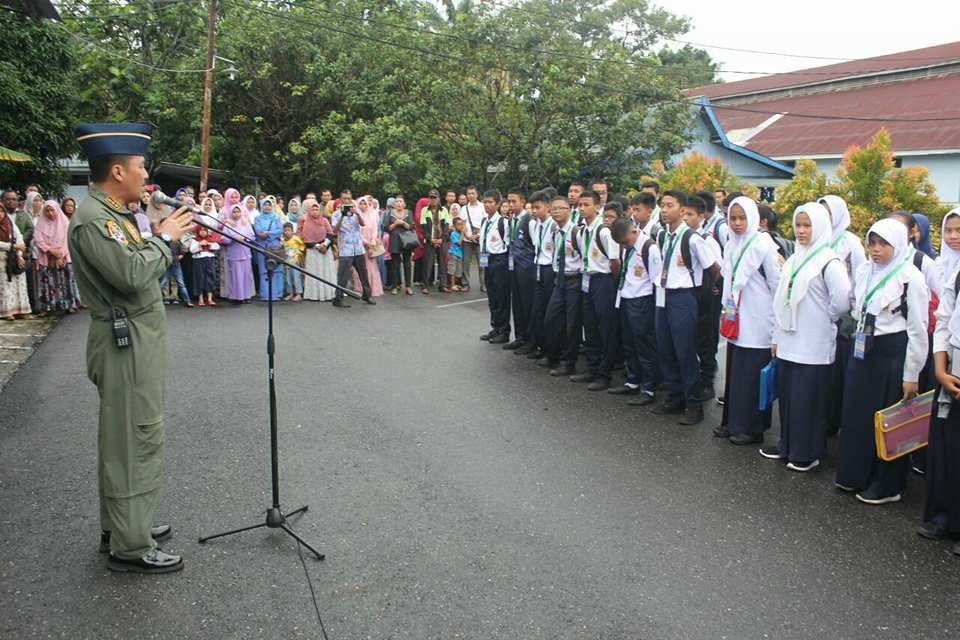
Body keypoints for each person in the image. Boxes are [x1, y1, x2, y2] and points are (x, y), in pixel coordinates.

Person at [68, 122, 194, 573]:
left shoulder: (115, 213)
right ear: (118, 171)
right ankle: (131, 546)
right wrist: (165, 237)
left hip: (136, 339)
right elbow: (133, 274)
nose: (147, 177)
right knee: (135, 438)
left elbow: (137, 263)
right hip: (125, 342)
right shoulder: (95, 220)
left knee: (131, 436)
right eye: (141, 168)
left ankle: (125, 525)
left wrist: (157, 234)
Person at [835, 219, 928, 505]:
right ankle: (854, 474)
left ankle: (885, 485)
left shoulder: (910, 278)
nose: (876, 250)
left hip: (891, 354)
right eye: (872, 243)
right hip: (864, 350)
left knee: (887, 420)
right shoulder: (865, 271)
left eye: (883, 244)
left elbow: (918, 329)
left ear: (898, 244)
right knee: (856, 415)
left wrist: (911, 374)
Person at [764, 202, 851, 471]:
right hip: (790, 339)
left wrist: (822, 317)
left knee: (808, 400)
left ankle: (807, 453)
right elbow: (781, 298)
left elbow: (842, 302)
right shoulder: (794, 258)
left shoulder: (829, 261)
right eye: (798, 225)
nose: (801, 231)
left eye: (807, 225)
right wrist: (776, 338)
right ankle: (787, 445)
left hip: (813, 342)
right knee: (790, 398)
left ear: (821, 226)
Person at [714, 196, 781, 444]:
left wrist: (778, 327)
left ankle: (752, 428)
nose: (737, 223)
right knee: (737, 374)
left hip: (760, 321)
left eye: (742, 218)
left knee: (753, 376)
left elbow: (777, 285)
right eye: (733, 218)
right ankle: (732, 422)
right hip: (738, 320)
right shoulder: (733, 243)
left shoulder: (764, 246)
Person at [652, 190, 720, 425]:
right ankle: (675, 397)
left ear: (682, 210)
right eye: (662, 205)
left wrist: (708, 290)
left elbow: (714, 267)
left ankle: (693, 405)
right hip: (663, 296)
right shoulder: (662, 236)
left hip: (683, 298)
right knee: (666, 349)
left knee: (685, 352)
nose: (663, 210)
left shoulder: (692, 238)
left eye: (669, 205)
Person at [919, 235, 960, 553]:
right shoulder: (957, 276)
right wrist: (941, 371)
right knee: (947, 448)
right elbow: (943, 322)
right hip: (951, 373)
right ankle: (943, 518)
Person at [609, 216, 661, 405]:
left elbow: (656, 281)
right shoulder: (628, 248)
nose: (623, 246)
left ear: (633, 232)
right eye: (620, 244)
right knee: (629, 344)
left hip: (642, 302)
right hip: (626, 299)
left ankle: (649, 388)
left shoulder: (649, 248)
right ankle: (633, 381)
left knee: (644, 346)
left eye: (625, 242)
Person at [570, 193, 621, 390]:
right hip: (587, 279)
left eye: (586, 205)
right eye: (580, 205)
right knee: (589, 325)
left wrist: (611, 282)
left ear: (597, 207)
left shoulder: (605, 231)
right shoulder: (582, 231)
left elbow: (615, 261)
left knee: (605, 327)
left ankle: (604, 374)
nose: (582, 208)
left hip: (603, 280)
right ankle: (592, 367)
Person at [540, 195, 584, 376]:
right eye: (554, 208)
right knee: (551, 319)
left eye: (561, 208)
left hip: (574, 280)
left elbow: (584, 257)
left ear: (569, 210)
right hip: (559, 280)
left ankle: (568, 362)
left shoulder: (576, 232)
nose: (557, 212)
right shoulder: (554, 232)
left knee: (571, 324)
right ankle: (553, 355)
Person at [515, 190, 555, 358]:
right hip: (537, 268)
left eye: (538, 207)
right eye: (532, 208)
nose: (534, 211)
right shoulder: (533, 224)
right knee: (536, 310)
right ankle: (538, 344)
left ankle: (550, 350)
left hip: (550, 271)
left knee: (549, 314)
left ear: (548, 206)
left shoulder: (553, 225)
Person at [33, 200, 80, 315]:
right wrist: (51, 250)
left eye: (52, 210)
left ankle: (68, 305)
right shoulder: (40, 224)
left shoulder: (65, 223)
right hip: (46, 257)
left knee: (65, 280)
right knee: (47, 282)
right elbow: (38, 240)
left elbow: (67, 240)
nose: (50, 213)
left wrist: (60, 255)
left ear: (57, 210)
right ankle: (47, 307)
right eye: (47, 211)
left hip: (63, 256)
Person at [331, 190, 375, 308]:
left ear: (351, 200)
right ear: (341, 200)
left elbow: (362, 224)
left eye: (348, 198)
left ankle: (367, 295)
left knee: (363, 273)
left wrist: (357, 213)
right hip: (346, 248)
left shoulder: (356, 211)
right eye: (344, 198)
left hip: (358, 247)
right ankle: (338, 298)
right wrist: (342, 216)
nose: (346, 200)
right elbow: (335, 230)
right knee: (343, 275)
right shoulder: (336, 214)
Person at [478, 189, 511, 344]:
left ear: (498, 204)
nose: (487, 205)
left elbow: (508, 244)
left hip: (500, 261)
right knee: (492, 298)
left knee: (501, 297)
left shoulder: (503, 222)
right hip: (487, 261)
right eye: (485, 202)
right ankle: (495, 327)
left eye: (490, 202)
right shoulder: (485, 221)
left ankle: (504, 331)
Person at [505, 187, 535, 350]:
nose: (510, 204)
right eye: (508, 201)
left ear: (523, 202)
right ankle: (520, 336)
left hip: (526, 268)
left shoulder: (529, 221)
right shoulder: (512, 220)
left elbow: (535, 246)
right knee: (516, 303)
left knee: (527, 303)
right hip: (514, 267)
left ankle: (530, 340)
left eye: (513, 201)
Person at [298, 198, 337, 302]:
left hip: (325, 251)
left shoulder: (324, 221)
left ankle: (329, 294)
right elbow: (306, 239)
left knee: (326, 271)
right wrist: (317, 246)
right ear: (309, 211)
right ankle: (314, 295)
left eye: (317, 210)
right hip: (313, 251)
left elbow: (330, 234)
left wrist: (324, 245)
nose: (315, 212)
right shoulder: (306, 223)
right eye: (313, 210)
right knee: (315, 272)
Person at [0, 200, 32, 320]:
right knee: (5, 286)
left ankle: (21, 310)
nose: (0, 214)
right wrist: (12, 247)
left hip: (14, 258)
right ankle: (7, 312)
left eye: (2, 211)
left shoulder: (10, 224)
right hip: (2, 259)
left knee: (19, 283)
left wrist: (18, 254)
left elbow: (19, 239)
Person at [219, 204, 254, 303]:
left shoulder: (245, 223)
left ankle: (247, 296)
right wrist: (232, 238)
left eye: (238, 211)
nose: (236, 214)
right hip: (234, 253)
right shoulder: (228, 224)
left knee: (246, 275)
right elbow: (223, 239)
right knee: (236, 276)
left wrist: (244, 238)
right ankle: (237, 296)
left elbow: (252, 236)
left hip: (245, 253)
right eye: (234, 212)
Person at [253, 197, 284, 301]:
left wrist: (268, 233)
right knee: (264, 269)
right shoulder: (258, 218)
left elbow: (280, 230)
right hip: (263, 246)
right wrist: (264, 234)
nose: (267, 207)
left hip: (275, 245)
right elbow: (258, 230)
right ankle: (266, 294)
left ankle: (277, 294)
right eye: (265, 205)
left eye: (269, 205)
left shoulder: (276, 217)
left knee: (276, 269)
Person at [420, 189, 450, 293]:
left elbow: (446, 226)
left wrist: (442, 239)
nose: (433, 200)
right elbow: (423, 227)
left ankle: (443, 285)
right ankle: (425, 285)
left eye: (435, 198)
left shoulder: (444, 210)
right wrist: (430, 239)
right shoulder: (425, 210)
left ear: (439, 199)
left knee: (442, 263)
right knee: (428, 263)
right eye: (431, 198)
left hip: (441, 239)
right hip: (430, 240)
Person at [356, 195, 384, 298]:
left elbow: (375, 230)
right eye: (361, 203)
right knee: (361, 268)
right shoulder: (356, 217)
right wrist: (366, 243)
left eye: (365, 203)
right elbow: (356, 232)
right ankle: (360, 289)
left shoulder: (371, 215)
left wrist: (372, 243)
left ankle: (372, 289)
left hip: (370, 247)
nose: (363, 205)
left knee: (371, 268)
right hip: (360, 246)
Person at [459, 185, 485, 292]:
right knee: (465, 262)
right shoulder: (464, 208)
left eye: (472, 193)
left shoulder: (483, 207)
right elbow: (463, 224)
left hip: (481, 239)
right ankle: (465, 284)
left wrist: (478, 235)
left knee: (483, 262)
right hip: (467, 239)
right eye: (468, 193)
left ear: (477, 194)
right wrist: (467, 236)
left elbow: (485, 223)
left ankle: (484, 284)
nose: (470, 195)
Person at [188, 225, 220, 307]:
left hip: (209, 259)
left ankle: (210, 298)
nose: (203, 232)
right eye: (201, 230)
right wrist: (199, 244)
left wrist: (209, 244)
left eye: (204, 230)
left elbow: (217, 246)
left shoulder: (210, 239)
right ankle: (200, 298)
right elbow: (192, 250)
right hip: (199, 260)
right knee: (199, 278)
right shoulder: (194, 240)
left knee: (210, 277)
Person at [448, 217, 465, 291]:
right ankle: (451, 285)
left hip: (460, 254)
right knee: (452, 269)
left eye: (462, 224)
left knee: (459, 271)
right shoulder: (453, 234)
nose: (460, 226)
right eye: (458, 225)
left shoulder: (462, 233)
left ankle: (454, 283)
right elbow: (459, 243)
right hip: (453, 253)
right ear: (454, 226)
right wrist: (462, 233)